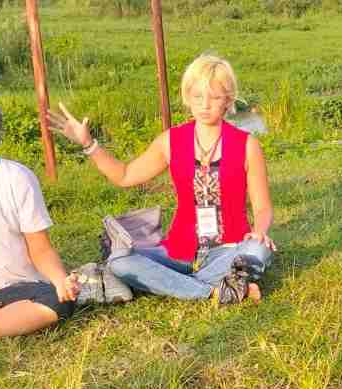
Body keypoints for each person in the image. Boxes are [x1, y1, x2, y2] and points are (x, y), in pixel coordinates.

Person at [48, 53, 274, 304]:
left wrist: (260, 231)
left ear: (228, 100)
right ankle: (214, 290)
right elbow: (124, 176)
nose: (205, 104)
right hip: (179, 250)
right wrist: (88, 144)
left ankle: (184, 283)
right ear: (187, 98)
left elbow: (262, 207)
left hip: (230, 249)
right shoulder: (170, 141)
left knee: (258, 251)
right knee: (120, 261)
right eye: (198, 96)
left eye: (215, 97)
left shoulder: (247, 145)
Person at [0, 87, 78, 344]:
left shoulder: (15, 177)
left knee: (57, 301)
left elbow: (40, 249)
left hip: (15, 289)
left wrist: (60, 280)